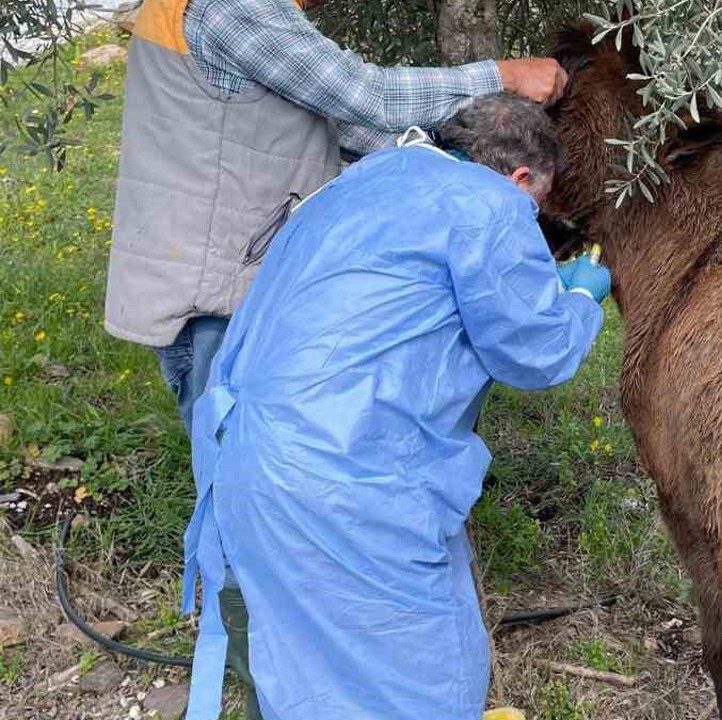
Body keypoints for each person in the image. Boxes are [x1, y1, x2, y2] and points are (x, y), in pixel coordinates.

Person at [104, 0, 567, 714]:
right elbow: (369, 97)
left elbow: (349, 128)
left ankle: (304, 685)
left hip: (248, 299)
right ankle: (278, 689)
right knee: (273, 517)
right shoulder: (232, 7)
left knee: (270, 504)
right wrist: (499, 76)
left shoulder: (259, 39)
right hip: (224, 306)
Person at [181, 94, 611, 720]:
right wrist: (578, 299)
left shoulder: (360, 179)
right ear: (521, 178)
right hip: (347, 481)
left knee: (303, 664)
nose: (531, 218)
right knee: (417, 677)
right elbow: (535, 351)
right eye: (536, 205)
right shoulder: (487, 203)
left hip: (245, 459)